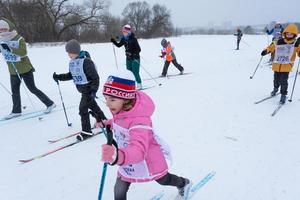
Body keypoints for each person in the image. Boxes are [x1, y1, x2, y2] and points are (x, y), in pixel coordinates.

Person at [95, 71, 191, 200]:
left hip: (148, 159)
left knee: (163, 179)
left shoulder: (139, 121)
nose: (107, 103)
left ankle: (184, 183)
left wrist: (117, 155)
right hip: (127, 160)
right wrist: (108, 123)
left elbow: (139, 150)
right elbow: (121, 122)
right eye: (106, 98)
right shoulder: (121, 110)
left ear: (126, 99)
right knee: (119, 189)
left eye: (112, 99)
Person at [0, 18, 55, 119]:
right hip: (13, 70)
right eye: (0, 30)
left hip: (25, 69)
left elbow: (23, 52)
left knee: (32, 89)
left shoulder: (18, 38)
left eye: (4, 29)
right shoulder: (1, 40)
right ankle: (16, 111)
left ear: (8, 28)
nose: (2, 31)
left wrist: (10, 49)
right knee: (15, 91)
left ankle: (50, 103)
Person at [53, 39, 106, 140]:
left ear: (74, 51)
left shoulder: (86, 62)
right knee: (93, 106)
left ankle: (86, 132)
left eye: (69, 52)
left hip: (89, 90)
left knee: (82, 109)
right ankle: (102, 120)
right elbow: (71, 75)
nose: (68, 55)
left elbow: (95, 77)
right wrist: (59, 77)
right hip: (83, 90)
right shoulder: (73, 62)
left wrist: (93, 90)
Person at [261, 24, 300, 104]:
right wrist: (266, 51)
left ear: (294, 35)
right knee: (276, 79)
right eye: (288, 33)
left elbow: (298, 51)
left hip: (287, 66)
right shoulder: (279, 41)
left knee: (283, 81)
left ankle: (283, 94)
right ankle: (275, 88)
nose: (289, 35)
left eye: (291, 34)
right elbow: (272, 46)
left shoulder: (296, 43)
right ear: (285, 33)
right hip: (277, 65)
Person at [110, 25, 143, 89]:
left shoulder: (133, 39)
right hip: (128, 58)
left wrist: (133, 54)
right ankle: (130, 85)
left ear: (128, 32)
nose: (124, 33)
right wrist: (113, 41)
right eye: (123, 32)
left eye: (125, 32)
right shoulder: (123, 39)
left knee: (135, 72)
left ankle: (139, 84)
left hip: (135, 58)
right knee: (129, 72)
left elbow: (139, 49)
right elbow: (119, 45)